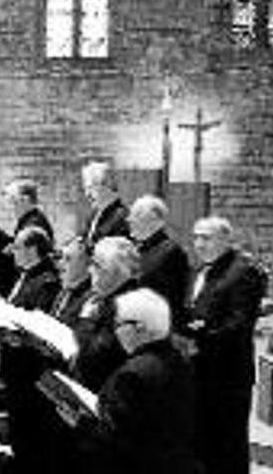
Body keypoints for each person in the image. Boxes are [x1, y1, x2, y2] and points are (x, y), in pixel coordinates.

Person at [76, 288, 198, 474]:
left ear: (140, 327)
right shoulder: (178, 360)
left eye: (118, 325)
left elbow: (113, 440)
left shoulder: (131, 375)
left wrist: (78, 421)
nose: (116, 333)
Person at [185, 217, 266, 474]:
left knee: (228, 449)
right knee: (204, 446)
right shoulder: (201, 270)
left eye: (206, 238)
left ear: (225, 239)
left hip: (227, 377)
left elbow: (240, 324)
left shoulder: (243, 271)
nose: (199, 244)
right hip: (200, 373)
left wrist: (202, 337)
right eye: (196, 237)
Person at [2, 226, 63, 474]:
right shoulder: (24, 275)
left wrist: (19, 334)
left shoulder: (46, 282)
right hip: (14, 365)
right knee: (18, 431)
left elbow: (41, 323)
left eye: (16, 246)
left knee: (30, 433)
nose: (12, 251)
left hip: (29, 368)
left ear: (32, 249)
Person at [73, 236, 139, 390]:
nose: (89, 270)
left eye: (96, 265)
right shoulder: (107, 297)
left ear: (116, 272)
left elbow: (93, 359)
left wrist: (86, 319)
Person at [128, 195, 191, 330]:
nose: (129, 220)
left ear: (153, 220)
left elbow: (175, 299)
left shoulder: (172, 252)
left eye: (135, 215)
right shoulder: (137, 248)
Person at [80, 162, 129, 250]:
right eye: (85, 189)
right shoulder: (94, 215)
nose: (87, 194)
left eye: (91, 188)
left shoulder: (122, 217)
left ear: (107, 185)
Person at [52, 237, 93, 327]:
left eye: (68, 259)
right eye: (61, 258)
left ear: (86, 263)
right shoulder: (64, 290)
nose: (60, 264)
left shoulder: (90, 300)